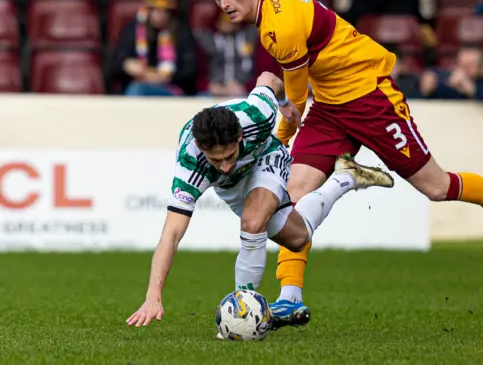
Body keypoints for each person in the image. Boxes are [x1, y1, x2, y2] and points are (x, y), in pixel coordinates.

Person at [200, 0, 483, 330]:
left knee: (437, 187)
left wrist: (281, 141)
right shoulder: (271, 12)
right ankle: (290, 297)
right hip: (331, 106)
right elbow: (301, 97)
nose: (225, 3)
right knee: (291, 198)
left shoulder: (279, 26)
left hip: (370, 98)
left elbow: (294, 102)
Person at [126, 71, 394, 329]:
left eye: (229, 155)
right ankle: (345, 178)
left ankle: (243, 312)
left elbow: (268, 78)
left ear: (240, 136)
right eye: (216, 160)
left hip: (265, 158)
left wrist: (284, 103)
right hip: (231, 188)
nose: (225, 165)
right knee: (297, 237)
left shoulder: (257, 116)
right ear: (201, 147)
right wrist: (153, 295)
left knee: (253, 223)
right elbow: (171, 235)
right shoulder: (191, 164)